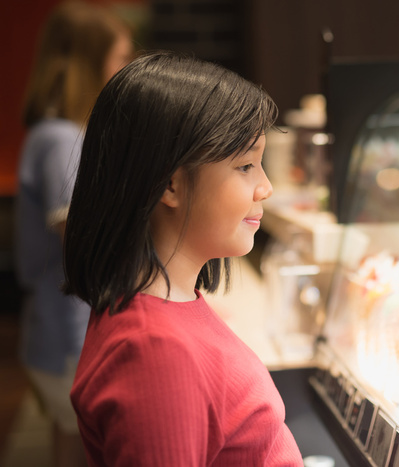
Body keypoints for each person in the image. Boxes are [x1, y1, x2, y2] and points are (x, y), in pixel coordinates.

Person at [62, 51, 304, 466]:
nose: (265, 187)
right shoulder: (155, 355)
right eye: (246, 165)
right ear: (170, 184)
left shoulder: (170, 306)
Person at [14, 3, 132, 466]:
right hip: (70, 336)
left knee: (70, 442)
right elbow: (85, 240)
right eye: (119, 59)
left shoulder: (52, 133)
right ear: (88, 63)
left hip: (54, 329)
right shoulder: (63, 140)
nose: (125, 71)